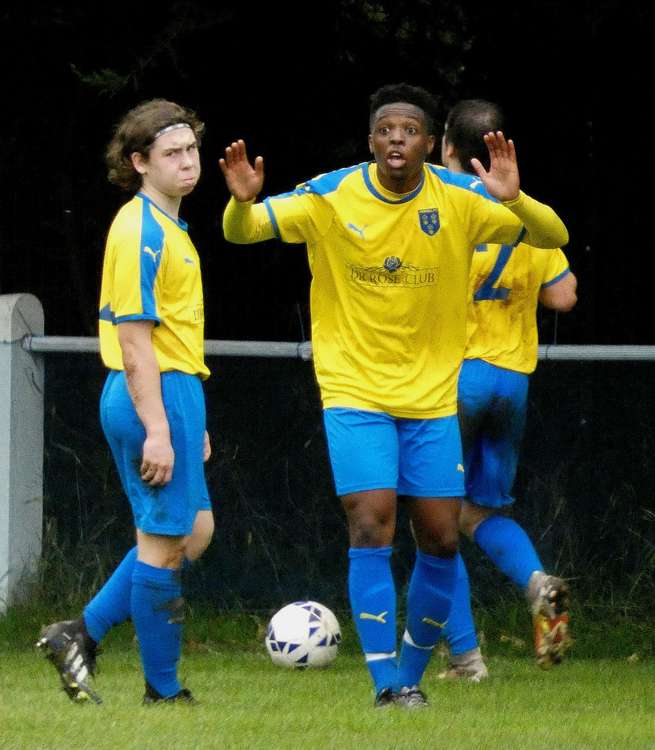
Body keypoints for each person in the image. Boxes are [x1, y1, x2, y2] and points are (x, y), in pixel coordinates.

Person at [219, 83, 568, 708]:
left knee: (439, 537)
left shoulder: (461, 197)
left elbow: (550, 234)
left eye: (409, 130)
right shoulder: (330, 194)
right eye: (386, 130)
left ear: (430, 144)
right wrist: (242, 205)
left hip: (435, 399)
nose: (397, 140)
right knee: (372, 524)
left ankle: (411, 675)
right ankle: (386, 685)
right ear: (372, 141)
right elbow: (243, 232)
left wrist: (518, 199)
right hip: (355, 393)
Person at [37, 99, 214, 705]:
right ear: (140, 162)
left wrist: (191, 421)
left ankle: (79, 632)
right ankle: (162, 693)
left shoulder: (169, 225)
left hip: (175, 390)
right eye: (172, 153)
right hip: (151, 392)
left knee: (195, 531)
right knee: (165, 546)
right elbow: (135, 340)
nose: (188, 162)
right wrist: (160, 428)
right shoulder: (138, 227)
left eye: (191, 149)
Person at [438, 99, 578, 681]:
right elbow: (564, 295)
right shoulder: (523, 213)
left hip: (457, 376)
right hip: (511, 382)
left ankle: (465, 656)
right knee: (480, 511)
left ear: (448, 148)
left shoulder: (441, 210)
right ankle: (537, 582)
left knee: (435, 518)